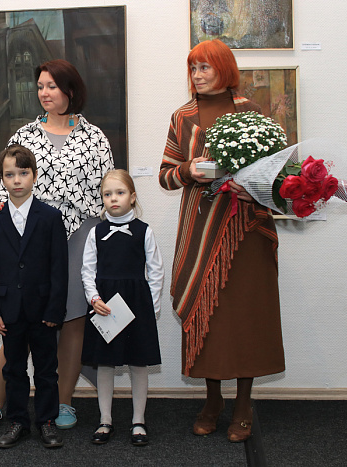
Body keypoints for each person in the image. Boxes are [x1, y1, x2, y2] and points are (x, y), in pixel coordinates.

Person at [0, 59, 114, 432]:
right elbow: (2, 189)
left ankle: (63, 401)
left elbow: (108, 190)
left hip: (80, 236)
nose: (44, 93)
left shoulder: (95, 137)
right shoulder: (24, 135)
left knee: (72, 321)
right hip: (31, 237)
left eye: (51, 86)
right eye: (40, 86)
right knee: (18, 320)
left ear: (70, 89)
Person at [158, 39, 285, 443]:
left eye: (204, 68)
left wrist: (255, 189)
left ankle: (243, 404)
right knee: (206, 313)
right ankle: (212, 402)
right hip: (201, 231)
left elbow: (279, 177)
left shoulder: (251, 112)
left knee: (247, 317)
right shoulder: (182, 117)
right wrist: (188, 171)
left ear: (224, 69)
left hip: (246, 233)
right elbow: (164, 175)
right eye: (193, 68)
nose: (197, 75)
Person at [0, 145, 69, 449]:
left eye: (23, 173)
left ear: (34, 175)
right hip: (9, 311)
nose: (17, 180)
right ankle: (18, 421)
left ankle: (47, 422)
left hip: (43, 311)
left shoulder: (51, 217)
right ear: (2, 179)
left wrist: (55, 310)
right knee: (14, 370)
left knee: (46, 370)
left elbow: (59, 268)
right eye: (10, 174)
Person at [81, 170, 164, 446]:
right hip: (106, 306)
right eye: (107, 194)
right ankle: (105, 420)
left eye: (120, 193)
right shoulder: (96, 232)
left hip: (137, 304)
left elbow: (156, 271)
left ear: (132, 196)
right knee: (105, 364)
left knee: (138, 363)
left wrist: (151, 309)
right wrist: (94, 299)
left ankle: (138, 420)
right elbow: (87, 270)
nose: (113, 199)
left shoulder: (144, 231)